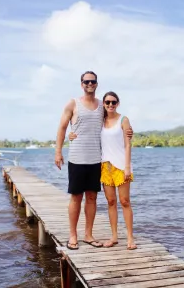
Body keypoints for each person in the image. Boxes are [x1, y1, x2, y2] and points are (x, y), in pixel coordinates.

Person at [55, 71, 132, 250]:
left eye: (93, 81)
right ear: (81, 84)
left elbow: (116, 122)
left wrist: (129, 130)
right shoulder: (73, 103)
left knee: (92, 198)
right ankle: (73, 235)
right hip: (76, 158)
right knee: (76, 198)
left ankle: (88, 235)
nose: (90, 84)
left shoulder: (101, 107)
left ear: (97, 84)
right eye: (86, 81)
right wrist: (58, 151)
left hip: (96, 160)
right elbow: (62, 127)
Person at [69, 91, 137, 250]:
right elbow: (85, 129)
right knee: (111, 201)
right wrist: (71, 135)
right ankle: (114, 236)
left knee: (125, 201)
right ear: (104, 104)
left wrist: (127, 167)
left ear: (118, 103)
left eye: (114, 102)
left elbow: (128, 145)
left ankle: (130, 238)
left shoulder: (123, 119)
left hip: (121, 166)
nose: (110, 105)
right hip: (105, 166)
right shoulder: (101, 119)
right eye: (107, 102)